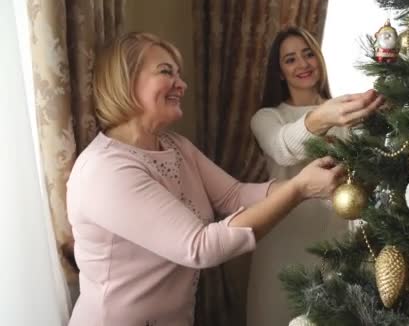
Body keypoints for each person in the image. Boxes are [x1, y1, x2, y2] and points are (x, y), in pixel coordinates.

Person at [66, 32, 345, 326]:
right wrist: (300, 189)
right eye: (166, 72)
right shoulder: (106, 170)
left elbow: (234, 195)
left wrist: (307, 184)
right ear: (126, 80)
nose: (182, 84)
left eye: (179, 74)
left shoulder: (174, 145)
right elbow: (200, 246)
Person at [248, 26, 383, 326]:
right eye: (290, 59)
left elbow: (370, 167)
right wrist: (323, 118)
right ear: (280, 72)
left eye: (308, 54)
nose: (303, 64)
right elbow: (284, 149)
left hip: (338, 241)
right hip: (284, 240)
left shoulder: (347, 112)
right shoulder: (267, 117)